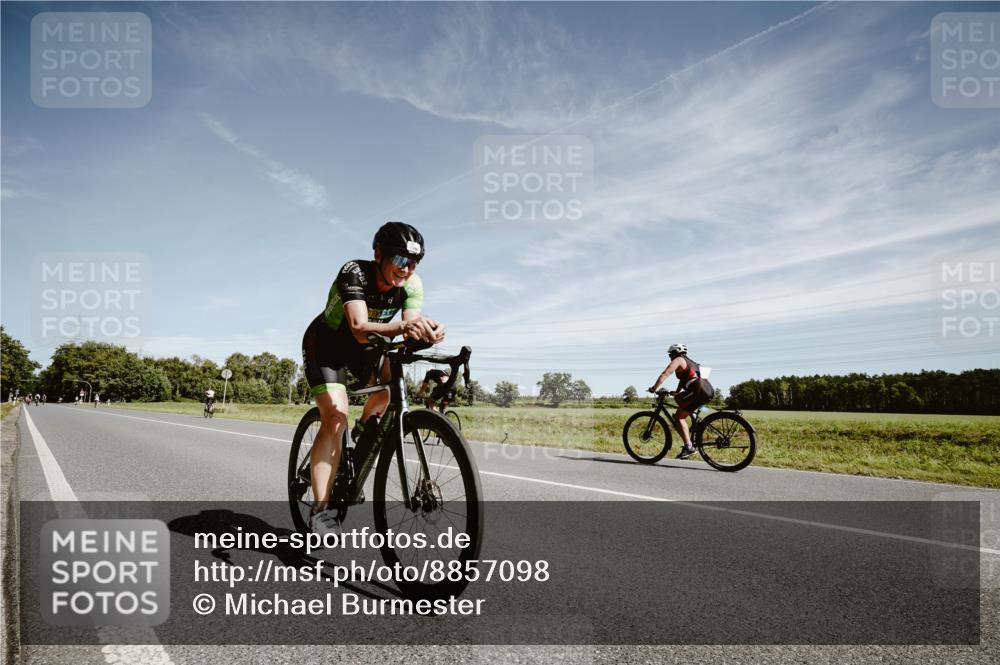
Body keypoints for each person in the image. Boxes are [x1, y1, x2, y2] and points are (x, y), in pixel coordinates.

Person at [301, 222, 444, 536]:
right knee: (335, 417)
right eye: (400, 260)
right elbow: (357, 327)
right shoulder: (355, 273)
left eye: (413, 263)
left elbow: (408, 327)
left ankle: (362, 433)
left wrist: (427, 332)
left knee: (390, 389)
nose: (406, 269)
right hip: (327, 346)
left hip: (368, 349)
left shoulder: (411, 284)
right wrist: (403, 328)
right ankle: (320, 511)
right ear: (378, 255)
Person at [648, 343, 715, 459]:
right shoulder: (692, 363)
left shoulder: (678, 360)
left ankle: (689, 447)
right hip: (707, 391)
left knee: (679, 417)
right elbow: (685, 378)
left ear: (674, 353)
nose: (670, 357)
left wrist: (654, 387)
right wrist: (677, 391)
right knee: (679, 398)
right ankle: (694, 420)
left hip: (697, 391)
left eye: (670, 354)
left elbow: (665, 373)